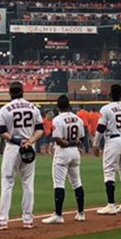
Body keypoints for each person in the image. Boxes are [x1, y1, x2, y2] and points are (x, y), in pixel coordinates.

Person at [0, 81, 44, 230]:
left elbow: (1, 132)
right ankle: (27, 220)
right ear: (23, 92)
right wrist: (30, 141)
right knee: (28, 183)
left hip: (13, 148)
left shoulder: (5, 109)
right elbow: (40, 129)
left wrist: (17, 140)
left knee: (7, 183)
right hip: (29, 147)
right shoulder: (33, 107)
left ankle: (2, 220)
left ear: (10, 92)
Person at [42, 96, 86, 224]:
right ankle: (81, 213)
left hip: (63, 151)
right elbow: (82, 138)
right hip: (75, 152)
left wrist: (67, 143)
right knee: (77, 182)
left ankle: (58, 215)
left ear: (58, 107)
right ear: (69, 106)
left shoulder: (57, 119)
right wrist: (74, 142)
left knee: (59, 183)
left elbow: (57, 138)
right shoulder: (77, 118)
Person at [94, 84, 121, 215]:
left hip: (113, 140)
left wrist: (95, 144)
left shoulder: (106, 108)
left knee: (109, 172)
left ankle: (111, 205)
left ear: (110, 94)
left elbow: (100, 128)